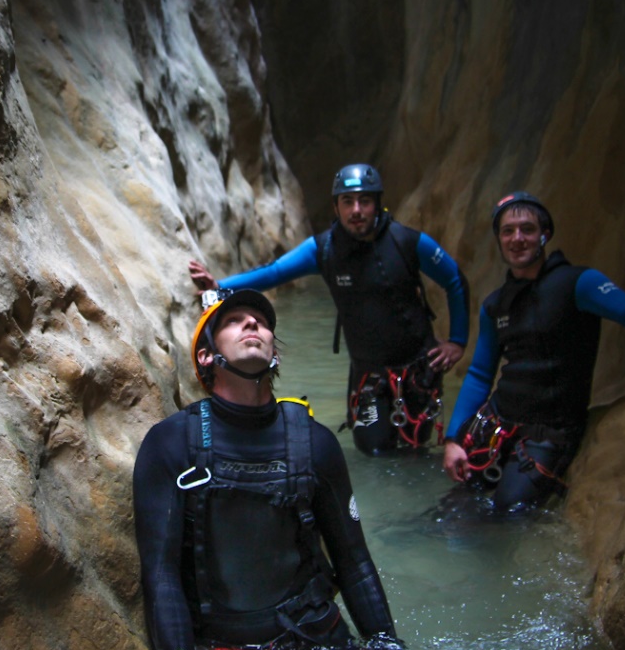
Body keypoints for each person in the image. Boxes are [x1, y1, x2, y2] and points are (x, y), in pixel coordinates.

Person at [133, 288, 422, 650]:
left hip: (316, 644)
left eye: (262, 322)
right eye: (233, 321)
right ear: (205, 357)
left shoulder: (316, 443)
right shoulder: (171, 444)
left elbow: (354, 562)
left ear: (276, 355)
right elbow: (161, 575)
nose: (253, 323)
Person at [441, 191, 625, 510]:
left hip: (549, 433)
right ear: (499, 239)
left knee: (506, 514)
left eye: (527, 229)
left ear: (545, 235)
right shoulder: (495, 305)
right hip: (498, 422)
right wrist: (453, 439)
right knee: (451, 510)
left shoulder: (577, 283)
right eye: (508, 231)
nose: (517, 238)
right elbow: (480, 374)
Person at [189, 163, 470, 455]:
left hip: (418, 368)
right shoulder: (324, 249)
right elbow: (274, 272)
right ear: (336, 207)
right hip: (369, 372)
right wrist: (220, 286)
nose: (356, 210)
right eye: (348, 202)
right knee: (374, 451)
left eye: (364, 201)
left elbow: (454, 280)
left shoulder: (407, 242)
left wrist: (458, 342)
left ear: (377, 204)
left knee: (415, 449)